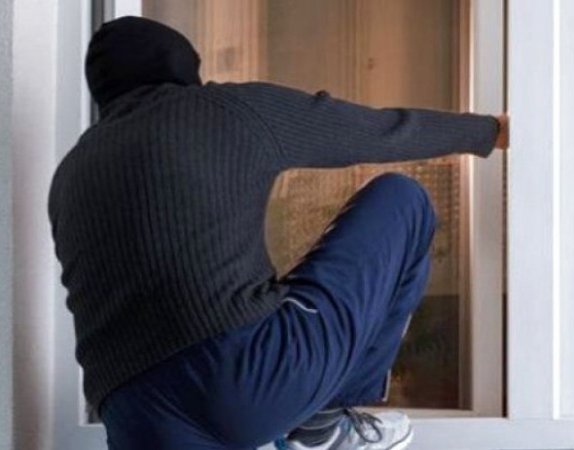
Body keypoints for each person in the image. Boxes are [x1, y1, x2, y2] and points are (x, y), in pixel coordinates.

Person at [47, 15, 509, 450]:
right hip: (246, 377)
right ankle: (323, 426)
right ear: (183, 66)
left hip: (133, 416)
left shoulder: (69, 175)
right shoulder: (223, 110)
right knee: (401, 201)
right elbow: (375, 131)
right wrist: (490, 131)